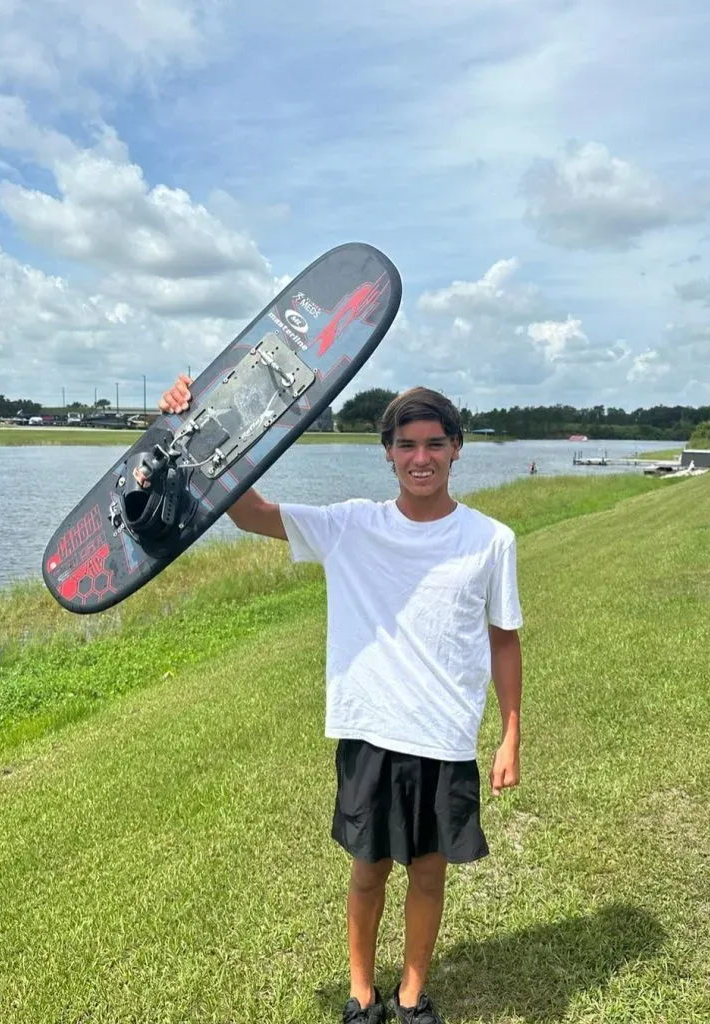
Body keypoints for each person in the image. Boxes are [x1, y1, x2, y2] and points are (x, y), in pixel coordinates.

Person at [159, 375, 524, 1024]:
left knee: (429, 873)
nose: (420, 458)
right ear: (385, 451)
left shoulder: (490, 539)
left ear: (456, 449)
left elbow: (503, 642)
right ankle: (362, 993)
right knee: (367, 872)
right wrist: (197, 427)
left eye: (434, 444)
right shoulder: (351, 525)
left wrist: (509, 735)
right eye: (405, 444)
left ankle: (412, 997)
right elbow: (248, 514)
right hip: (370, 735)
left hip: (444, 737)